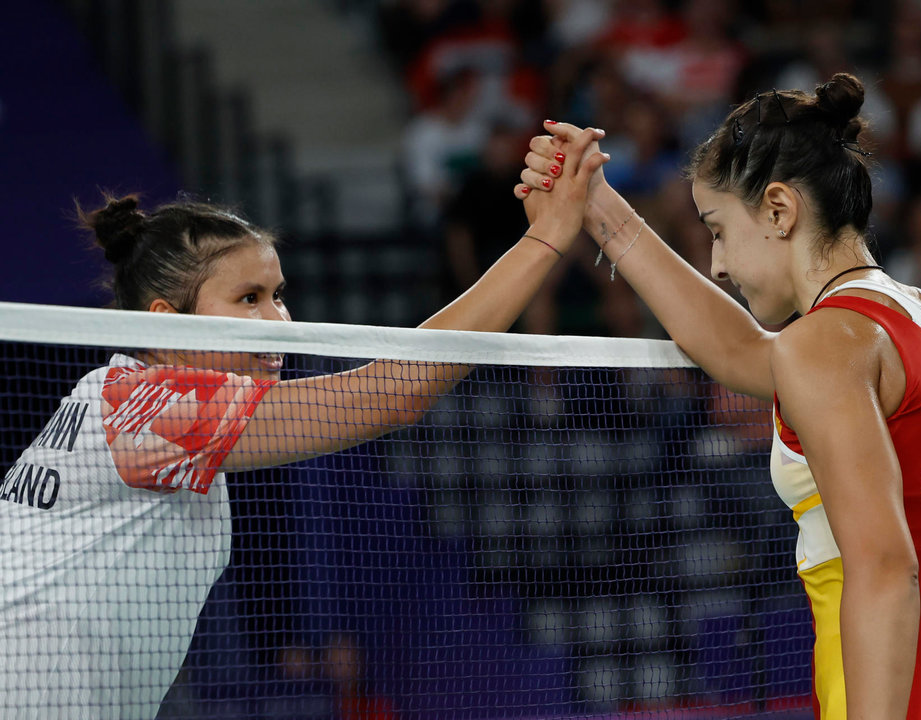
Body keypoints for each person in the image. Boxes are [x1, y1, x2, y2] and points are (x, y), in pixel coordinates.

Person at [0, 127, 605, 719]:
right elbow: (393, 394)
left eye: (278, 295)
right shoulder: (146, 409)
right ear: (166, 321)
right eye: (248, 299)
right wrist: (547, 237)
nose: (279, 323)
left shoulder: (125, 405)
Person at [515, 73, 921, 719]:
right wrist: (596, 205)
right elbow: (743, 353)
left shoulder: (826, 345)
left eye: (716, 229)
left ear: (778, 209)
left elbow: (882, 569)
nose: (716, 262)